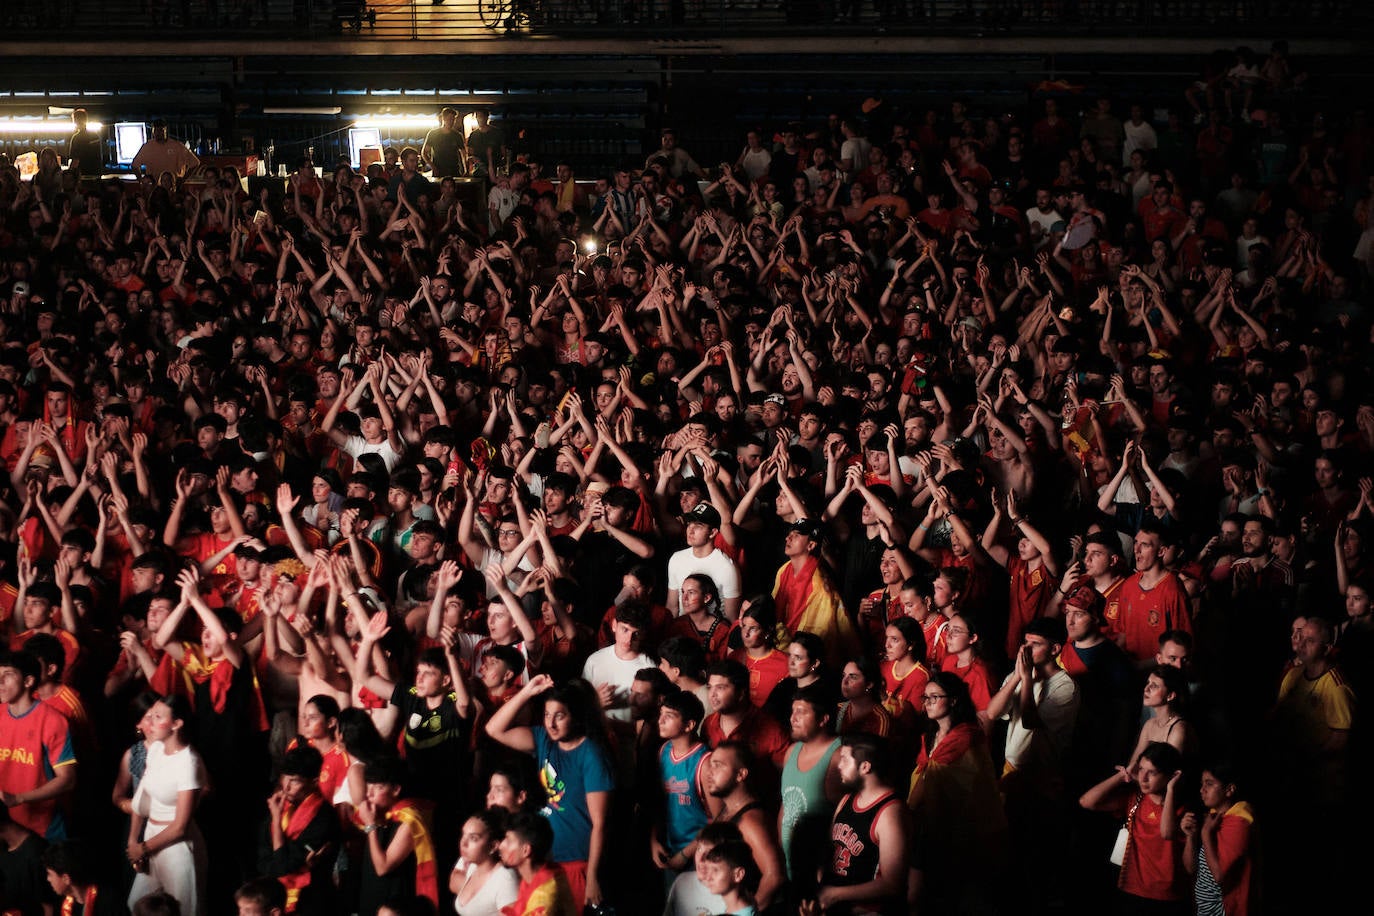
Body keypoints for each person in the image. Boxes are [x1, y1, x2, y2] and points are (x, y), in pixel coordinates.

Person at [484, 674, 613, 909]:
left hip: (577, 862)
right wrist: (527, 692)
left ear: (575, 717)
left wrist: (592, 876)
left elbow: (599, 823)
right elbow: (494, 729)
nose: (551, 723)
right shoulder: (544, 739)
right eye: (546, 715)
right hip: (545, 859)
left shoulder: (591, 755)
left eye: (559, 716)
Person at [906, 672, 1008, 914]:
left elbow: (955, 784)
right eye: (925, 697)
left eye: (935, 697)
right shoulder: (929, 736)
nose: (928, 702)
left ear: (953, 700)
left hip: (960, 829)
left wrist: (906, 813)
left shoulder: (966, 737)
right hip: (927, 824)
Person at [1079, 742, 1189, 914]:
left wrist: (1171, 790)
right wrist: (1123, 775)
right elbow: (1087, 802)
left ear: (1172, 775)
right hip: (1132, 889)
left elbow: (1167, 832)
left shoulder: (1183, 808)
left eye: (1151, 772)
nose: (1143, 777)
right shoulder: (1134, 799)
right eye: (1141, 769)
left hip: (1168, 895)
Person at [805, 733, 908, 916]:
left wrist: (835, 894)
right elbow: (830, 850)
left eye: (845, 759)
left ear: (865, 766)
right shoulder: (846, 800)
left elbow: (893, 884)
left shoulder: (890, 812)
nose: (839, 765)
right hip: (833, 906)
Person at [126, 695, 207, 916]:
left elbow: (180, 826)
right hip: (151, 835)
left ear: (177, 724)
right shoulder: (155, 749)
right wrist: (134, 841)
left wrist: (143, 848)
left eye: (158, 717)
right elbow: (140, 800)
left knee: (184, 908)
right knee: (137, 904)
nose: (150, 723)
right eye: (150, 716)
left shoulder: (188, 762)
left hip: (176, 845)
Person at [0, 649, 77, 840]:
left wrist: (19, 798)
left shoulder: (52, 720)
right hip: (5, 828)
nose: (0, 682)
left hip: (43, 828)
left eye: (7, 675)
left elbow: (67, 779)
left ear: (28, 681)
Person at [257, 744, 341, 916]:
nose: (286, 787)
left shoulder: (324, 817)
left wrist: (276, 818)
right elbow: (263, 858)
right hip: (273, 895)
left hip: (310, 900)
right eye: (284, 778)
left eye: (294, 781)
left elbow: (283, 865)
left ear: (314, 782)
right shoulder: (281, 805)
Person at [1180, 763, 1257, 916]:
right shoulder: (1212, 816)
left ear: (1229, 790)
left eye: (1209, 784)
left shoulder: (1239, 822)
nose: (1202, 790)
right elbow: (1190, 868)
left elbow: (1219, 876)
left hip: (1225, 910)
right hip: (1204, 909)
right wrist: (1190, 836)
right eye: (1202, 784)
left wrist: (1205, 834)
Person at [497, 811, 577, 916]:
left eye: (508, 841)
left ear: (526, 851)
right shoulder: (536, 876)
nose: (500, 846)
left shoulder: (544, 898)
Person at [448, 808, 519, 916]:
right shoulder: (472, 866)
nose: (463, 843)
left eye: (473, 838)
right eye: (463, 834)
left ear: (493, 846)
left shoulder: (505, 879)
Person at [130, 118, 200, 179]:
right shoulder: (147, 147)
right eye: (155, 131)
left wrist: (183, 180)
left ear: (166, 130)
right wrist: (141, 181)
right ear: (153, 132)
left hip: (174, 187)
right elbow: (134, 165)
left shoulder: (177, 146)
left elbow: (195, 163)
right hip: (155, 189)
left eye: (161, 130)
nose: (158, 133)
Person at [422, 108, 466, 180]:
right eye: (449, 119)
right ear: (443, 119)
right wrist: (433, 167)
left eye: (453, 119)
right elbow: (424, 153)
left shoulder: (457, 135)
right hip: (438, 172)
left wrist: (465, 169)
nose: (451, 121)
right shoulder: (433, 134)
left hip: (454, 171)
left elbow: (464, 154)